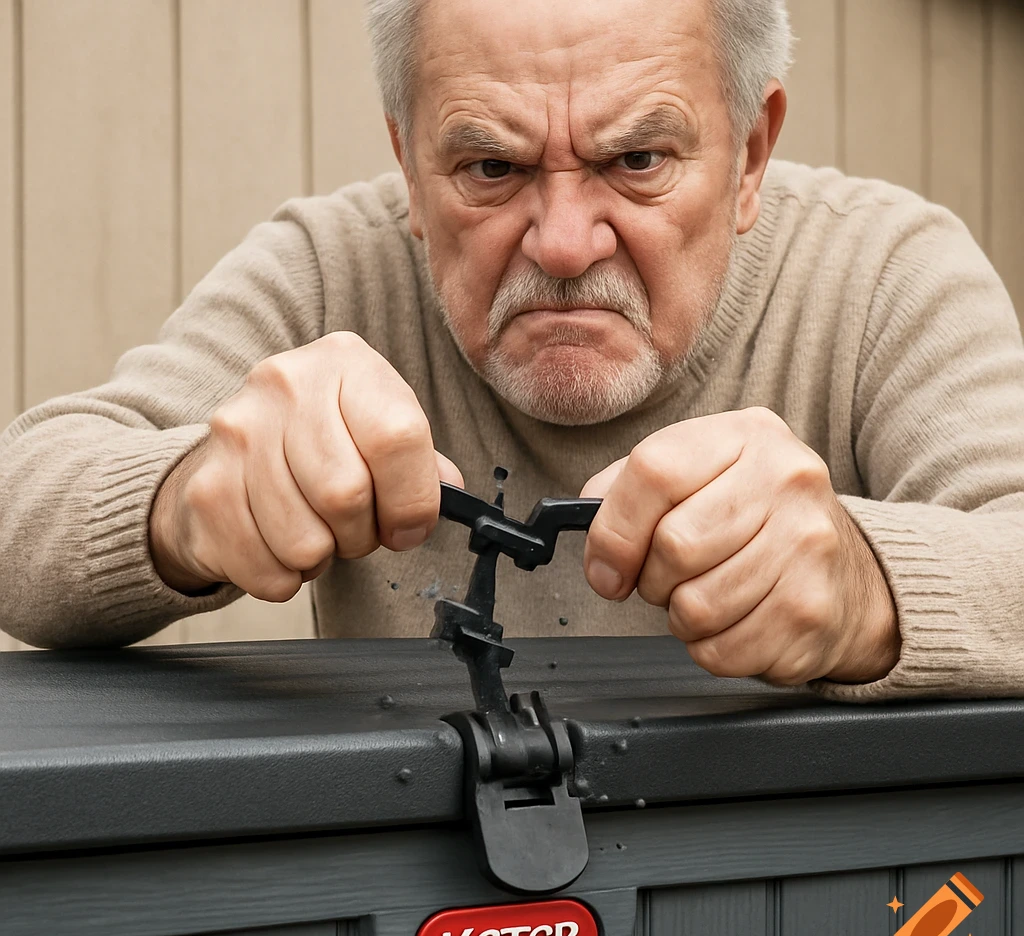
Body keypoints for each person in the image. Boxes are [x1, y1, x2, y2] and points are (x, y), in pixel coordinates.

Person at [1, 0, 1022, 704]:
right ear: (407, 161)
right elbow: (24, 504)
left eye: (637, 161)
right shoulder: (325, 271)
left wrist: (870, 587)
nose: (565, 243)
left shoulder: (887, 271)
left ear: (752, 152)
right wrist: (185, 501)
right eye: (491, 166)